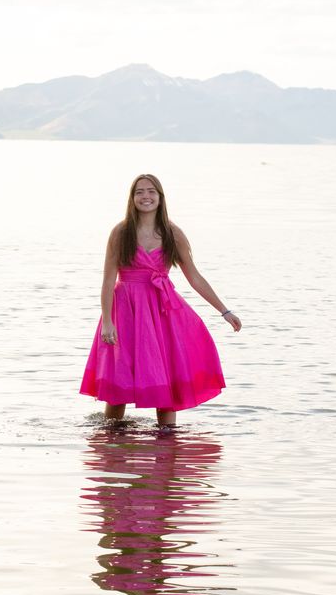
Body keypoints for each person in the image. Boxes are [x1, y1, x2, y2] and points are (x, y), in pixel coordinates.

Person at [79, 173, 242, 428]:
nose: (146, 196)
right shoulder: (121, 232)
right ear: (132, 199)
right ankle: (111, 443)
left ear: (160, 197)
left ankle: (167, 443)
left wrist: (224, 311)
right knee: (119, 380)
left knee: (165, 377)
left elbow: (194, 277)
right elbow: (108, 281)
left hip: (161, 312)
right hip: (126, 311)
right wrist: (108, 322)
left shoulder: (172, 233)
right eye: (140, 192)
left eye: (151, 191)